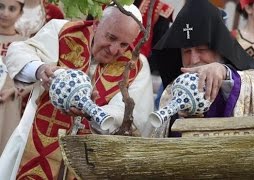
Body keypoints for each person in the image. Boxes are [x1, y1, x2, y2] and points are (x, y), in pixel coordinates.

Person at [0, 4, 154, 179]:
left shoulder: (136, 66)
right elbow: (18, 51)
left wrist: (92, 112)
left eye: (124, 44)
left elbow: (132, 115)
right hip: (35, 145)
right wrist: (40, 70)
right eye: (110, 37)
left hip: (90, 161)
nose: (113, 49)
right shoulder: (63, 31)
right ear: (96, 24)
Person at [151, 0, 254, 137]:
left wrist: (225, 72)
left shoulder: (245, 78)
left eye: (202, 49)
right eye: (187, 52)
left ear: (220, 50)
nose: (194, 60)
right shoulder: (171, 91)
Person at [0, 0, 28, 154]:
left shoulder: (23, 44)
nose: (5, 13)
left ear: (21, 13)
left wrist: (14, 90)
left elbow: (34, 80)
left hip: (8, 108)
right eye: (1, 6)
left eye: (12, 9)